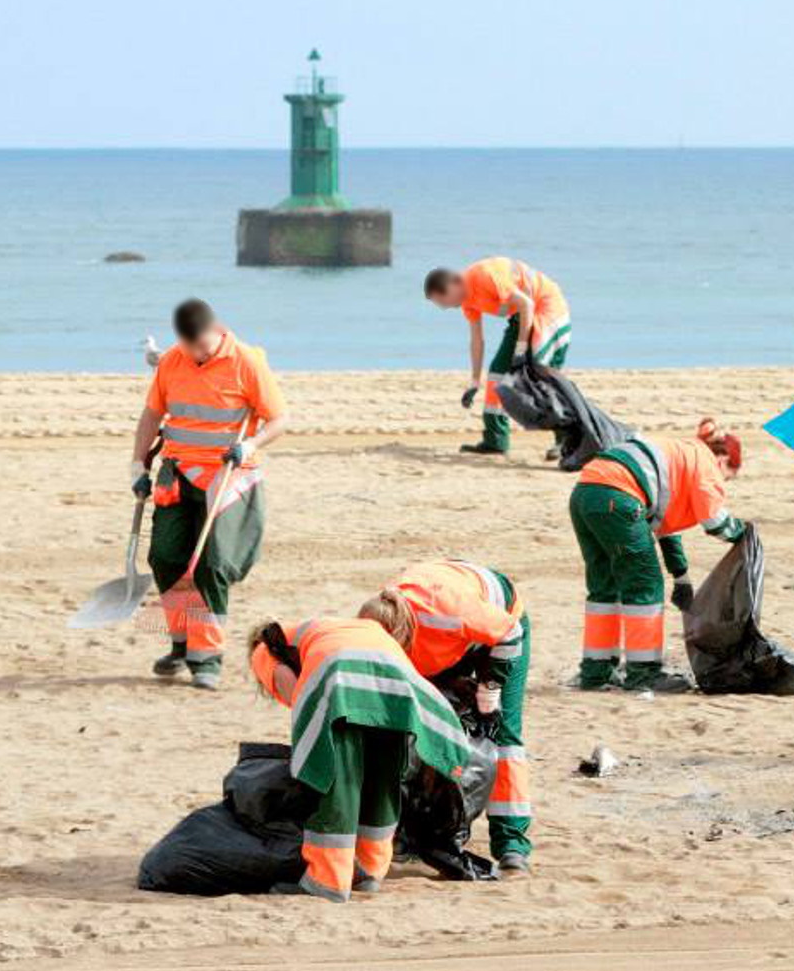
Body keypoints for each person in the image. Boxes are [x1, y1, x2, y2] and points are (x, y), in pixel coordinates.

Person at [248, 617, 472, 902]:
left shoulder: (263, 648)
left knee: (339, 779)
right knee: (382, 778)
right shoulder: (328, 627)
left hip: (341, 673)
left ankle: (327, 882)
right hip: (393, 676)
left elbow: (294, 693)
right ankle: (369, 872)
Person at [130, 299, 288, 687]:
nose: (195, 355)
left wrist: (251, 445)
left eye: (200, 346)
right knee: (166, 558)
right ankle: (182, 644)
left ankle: (207, 659)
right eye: (188, 347)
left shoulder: (247, 362)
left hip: (227, 475)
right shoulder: (172, 360)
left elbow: (280, 419)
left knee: (210, 565)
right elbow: (152, 415)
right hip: (177, 472)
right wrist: (138, 465)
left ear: (216, 331)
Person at [359, 560, 534, 873]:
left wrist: (490, 686)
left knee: (502, 734)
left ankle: (511, 843)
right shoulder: (373, 626)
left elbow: (510, 633)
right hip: (447, 646)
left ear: (403, 635)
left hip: (502, 632)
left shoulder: (445, 614)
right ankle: (411, 829)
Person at [568, 420, 746, 692]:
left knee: (605, 587)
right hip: (618, 496)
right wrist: (744, 533)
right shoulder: (706, 462)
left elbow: (664, 528)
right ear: (723, 459)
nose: (723, 483)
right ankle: (644, 673)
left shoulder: (681, 454)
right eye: (728, 476)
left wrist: (681, 576)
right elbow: (714, 521)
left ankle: (596, 671)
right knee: (645, 584)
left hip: (586, 491)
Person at [425, 257, 573, 456]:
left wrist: (521, 351)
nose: (445, 307)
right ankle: (495, 440)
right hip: (521, 316)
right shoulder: (467, 302)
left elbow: (527, 304)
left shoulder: (483, 276)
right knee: (497, 373)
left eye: (443, 300)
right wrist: (474, 381)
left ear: (454, 282)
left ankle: (565, 440)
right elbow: (477, 340)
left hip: (546, 308)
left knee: (538, 376)